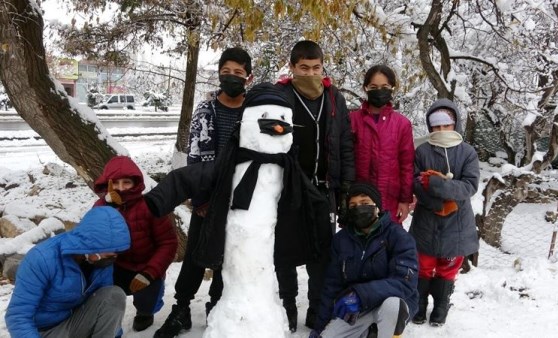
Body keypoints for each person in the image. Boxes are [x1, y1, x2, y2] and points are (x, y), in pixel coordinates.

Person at [152, 47, 253, 338]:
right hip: (207, 199)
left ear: (248, 76)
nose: (232, 77)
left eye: (238, 72)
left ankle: (217, 307)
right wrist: (201, 199)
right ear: (219, 74)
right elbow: (195, 157)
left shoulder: (253, 111)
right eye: (226, 72)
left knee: (227, 258)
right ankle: (181, 308)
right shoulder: (205, 111)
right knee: (196, 255)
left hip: (239, 199)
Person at [275, 40, 355, 332]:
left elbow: (345, 141)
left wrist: (345, 185)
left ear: (323, 67)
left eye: (316, 67)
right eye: (304, 67)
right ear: (293, 67)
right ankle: (287, 306)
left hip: (324, 188)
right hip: (289, 188)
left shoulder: (335, 98)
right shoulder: (281, 94)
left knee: (320, 255)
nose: (310, 73)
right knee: (284, 251)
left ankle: (315, 307)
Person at [309, 182, 418, 338]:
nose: (358, 208)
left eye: (364, 203)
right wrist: (319, 328)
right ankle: (368, 332)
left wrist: (361, 294)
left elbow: (405, 282)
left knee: (392, 306)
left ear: (377, 206)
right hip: (356, 307)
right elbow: (332, 286)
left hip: (387, 303)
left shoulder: (398, 237)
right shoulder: (341, 240)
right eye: (353, 205)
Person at [5, 206, 130, 338]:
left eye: (116, 253)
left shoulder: (101, 261)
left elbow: (109, 310)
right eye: (108, 254)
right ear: (90, 245)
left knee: (114, 295)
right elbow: (18, 316)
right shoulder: (41, 258)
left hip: (74, 323)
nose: (112, 257)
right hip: (43, 332)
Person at [409, 98, 480, 327]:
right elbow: (415, 182)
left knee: (448, 267)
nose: (441, 130)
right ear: (430, 127)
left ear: (455, 124)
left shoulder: (468, 152)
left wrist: (439, 186)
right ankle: (418, 303)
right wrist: (435, 202)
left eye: (446, 125)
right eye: (436, 126)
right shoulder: (422, 151)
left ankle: (441, 304)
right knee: (423, 263)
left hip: (457, 222)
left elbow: (469, 186)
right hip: (426, 220)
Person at [93, 155, 178, 332]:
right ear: (108, 184)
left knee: (147, 301)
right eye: (115, 183)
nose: (121, 188)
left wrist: (150, 272)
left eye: (126, 183)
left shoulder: (150, 206)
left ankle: (145, 312)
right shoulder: (100, 206)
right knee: (100, 291)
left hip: (146, 266)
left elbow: (168, 243)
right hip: (117, 264)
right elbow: (92, 236)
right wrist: (108, 207)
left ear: (135, 183)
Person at [350, 65, 414, 224]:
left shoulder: (402, 124)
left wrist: (405, 200)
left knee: (387, 246)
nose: (379, 90)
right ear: (366, 88)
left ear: (392, 88)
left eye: (385, 87)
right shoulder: (352, 120)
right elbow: (345, 160)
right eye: (374, 87)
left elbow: (407, 165)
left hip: (389, 201)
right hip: (358, 201)